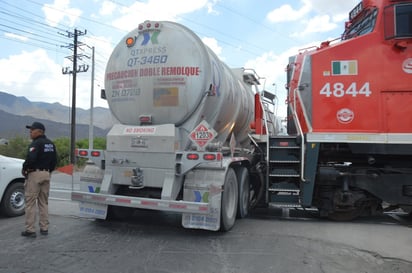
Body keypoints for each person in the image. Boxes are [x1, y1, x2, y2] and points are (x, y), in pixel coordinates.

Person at [21, 122, 57, 238]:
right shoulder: (50, 144)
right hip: (46, 174)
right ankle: (44, 228)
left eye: (32, 130)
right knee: (43, 202)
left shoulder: (36, 143)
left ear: (40, 132)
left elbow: (31, 158)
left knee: (30, 203)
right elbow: (54, 161)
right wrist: (48, 171)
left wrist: (25, 168)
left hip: (35, 174)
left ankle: (30, 230)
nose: (30, 132)